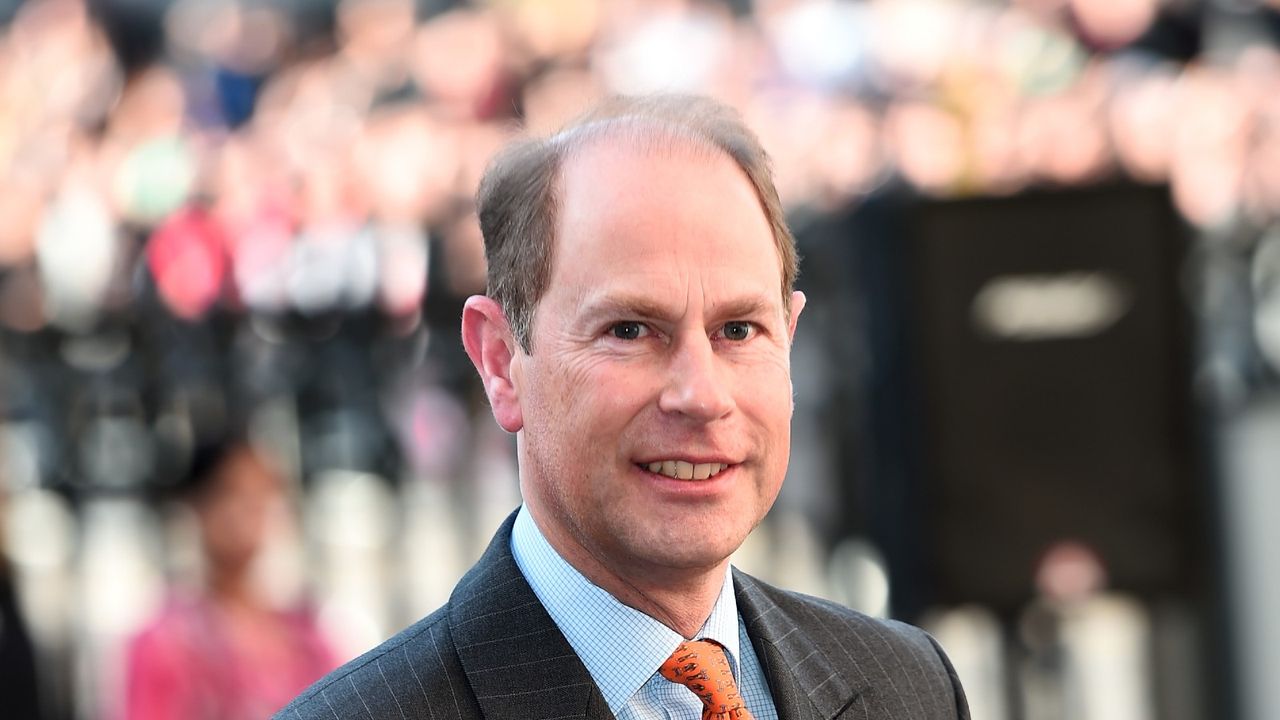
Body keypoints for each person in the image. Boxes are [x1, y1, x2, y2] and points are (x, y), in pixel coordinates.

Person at [278, 94, 969, 719]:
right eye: (630, 331)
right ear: (499, 362)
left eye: (738, 331)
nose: (701, 396)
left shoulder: (910, 687)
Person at [125, 438, 337, 720]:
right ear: (198, 504)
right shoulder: (167, 642)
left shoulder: (306, 636)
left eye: (262, 494)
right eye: (232, 493)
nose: (249, 510)